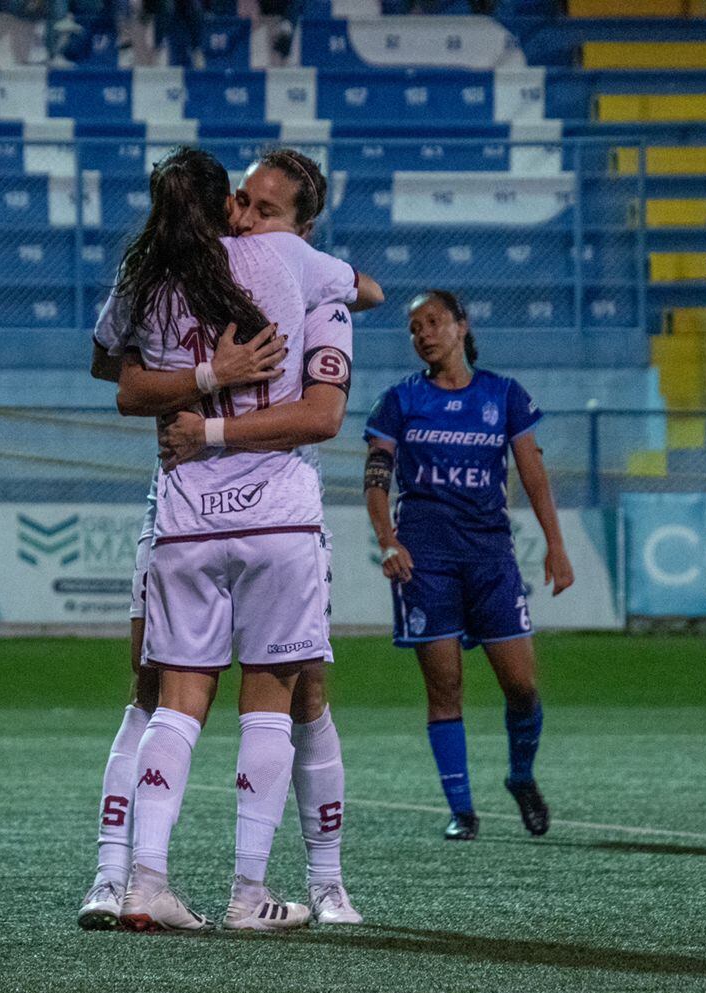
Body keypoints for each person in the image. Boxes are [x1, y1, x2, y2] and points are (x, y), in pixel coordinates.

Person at [77, 147, 382, 932]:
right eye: (241, 201)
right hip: (269, 513)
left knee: (185, 698)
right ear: (220, 204)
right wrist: (214, 374)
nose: (247, 217)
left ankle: (156, 878)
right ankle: (224, 889)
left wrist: (201, 405)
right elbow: (367, 294)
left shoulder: (152, 274)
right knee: (251, 699)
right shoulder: (288, 264)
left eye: (264, 208)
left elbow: (116, 372)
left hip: (188, 514)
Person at [362, 290, 573, 841]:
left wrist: (556, 545)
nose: (423, 334)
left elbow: (533, 475)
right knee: (445, 689)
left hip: (490, 558)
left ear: (462, 326)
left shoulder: (504, 395)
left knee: (522, 687)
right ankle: (462, 810)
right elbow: (376, 477)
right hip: (425, 561)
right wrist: (388, 539)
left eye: (433, 322)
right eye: (414, 328)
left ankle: (521, 776)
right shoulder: (398, 401)